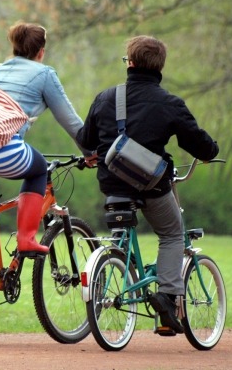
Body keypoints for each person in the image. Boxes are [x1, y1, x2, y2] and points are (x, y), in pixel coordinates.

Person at [76, 35, 219, 333]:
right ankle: (166, 298)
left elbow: (87, 141)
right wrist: (211, 152)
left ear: (129, 62)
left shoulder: (105, 98)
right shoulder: (169, 103)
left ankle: (119, 263)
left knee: (124, 228)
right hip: (150, 185)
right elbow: (200, 144)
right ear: (160, 66)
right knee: (171, 233)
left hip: (112, 185)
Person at [0, 22, 91, 315]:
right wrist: (91, 153)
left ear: (14, 48)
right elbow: (71, 122)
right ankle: (26, 238)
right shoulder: (45, 73)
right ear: (41, 51)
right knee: (38, 169)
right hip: (1, 149)